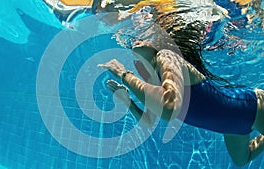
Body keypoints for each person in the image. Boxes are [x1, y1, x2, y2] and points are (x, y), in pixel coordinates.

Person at [96, 0, 264, 167]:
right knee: (242, 160)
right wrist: (128, 101)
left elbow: (169, 109)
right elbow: (148, 121)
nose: (137, 38)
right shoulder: (156, 80)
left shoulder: (167, 56)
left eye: (148, 34)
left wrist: (124, 74)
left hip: (253, 107)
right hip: (234, 126)